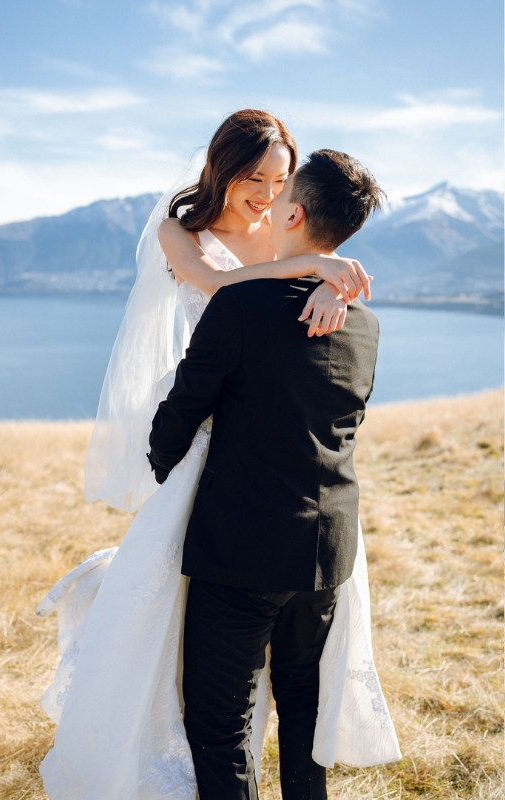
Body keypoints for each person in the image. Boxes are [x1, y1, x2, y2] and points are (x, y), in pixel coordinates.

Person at [37, 112, 401, 799]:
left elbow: (300, 273)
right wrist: (318, 266)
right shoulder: (182, 232)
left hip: (250, 477)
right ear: (221, 166)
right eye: (253, 176)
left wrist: (327, 281)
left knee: (246, 699)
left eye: (279, 180)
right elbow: (225, 289)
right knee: (199, 650)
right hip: (242, 461)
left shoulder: (284, 232)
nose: (266, 193)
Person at [148, 149, 387, 798]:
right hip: (328, 552)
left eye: (280, 194)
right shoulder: (362, 324)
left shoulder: (242, 307)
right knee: (304, 714)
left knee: (220, 726)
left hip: (243, 551)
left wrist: (163, 469)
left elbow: (183, 409)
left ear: (294, 213)